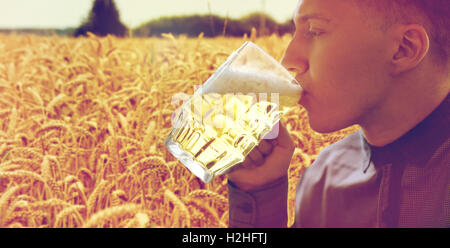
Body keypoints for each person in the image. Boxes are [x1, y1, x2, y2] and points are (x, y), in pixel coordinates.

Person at [227, 0, 449, 227]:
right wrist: (259, 193)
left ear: (404, 48)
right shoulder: (324, 175)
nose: (288, 61)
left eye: (315, 31)